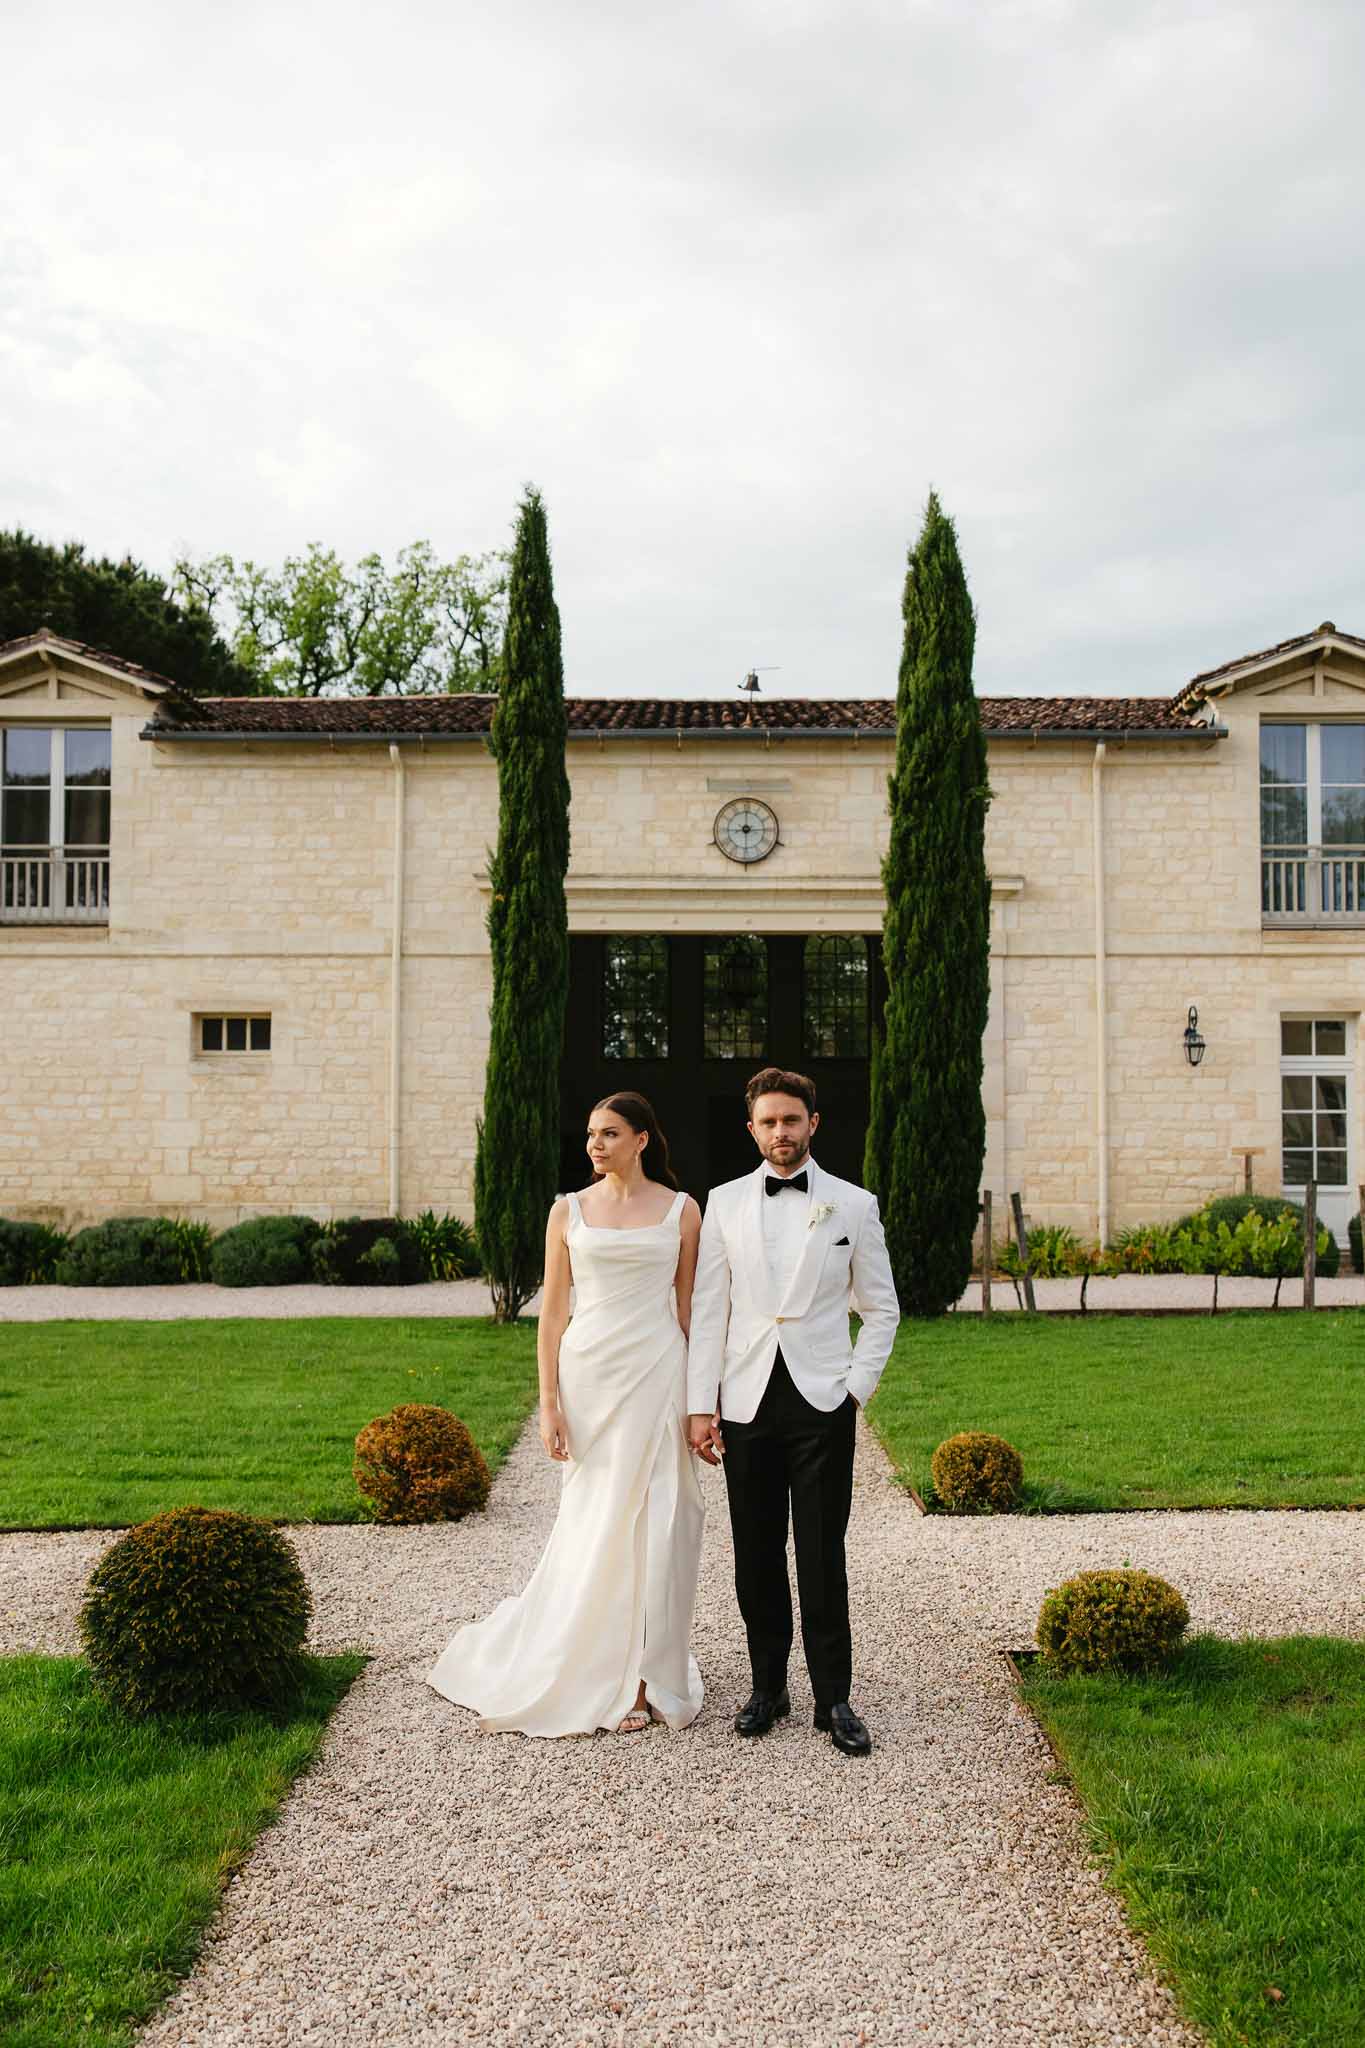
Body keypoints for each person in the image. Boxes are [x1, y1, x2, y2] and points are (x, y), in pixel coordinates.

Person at [426, 1092, 705, 1736]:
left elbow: (690, 1312)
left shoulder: (682, 1211)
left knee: (659, 1519)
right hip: (590, 1375)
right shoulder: (568, 1211)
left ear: (642, 1139)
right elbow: (552, 1316)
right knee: (598, 1520)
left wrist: (702, 1404)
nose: (595, 1145)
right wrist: (548, 1404)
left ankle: (643, 1674)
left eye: (609, 1133)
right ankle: (594, 1666)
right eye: (589, 1135)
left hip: (659, 1370)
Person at [687, 1066, 900, 1755]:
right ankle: (767, 1687)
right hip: (746, 1401)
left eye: (791, 1119)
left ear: (813, 1123)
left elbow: (882, 1309)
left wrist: (853, 1389)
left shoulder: (853, 1205)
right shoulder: (720, 1203)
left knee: (819, 1551)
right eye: (768, 1121)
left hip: (820, 1401)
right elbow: (710, 1308)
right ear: (750, 1129)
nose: (780, 1132)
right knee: (754, 1553)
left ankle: (833, 1697)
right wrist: (700, 1406)